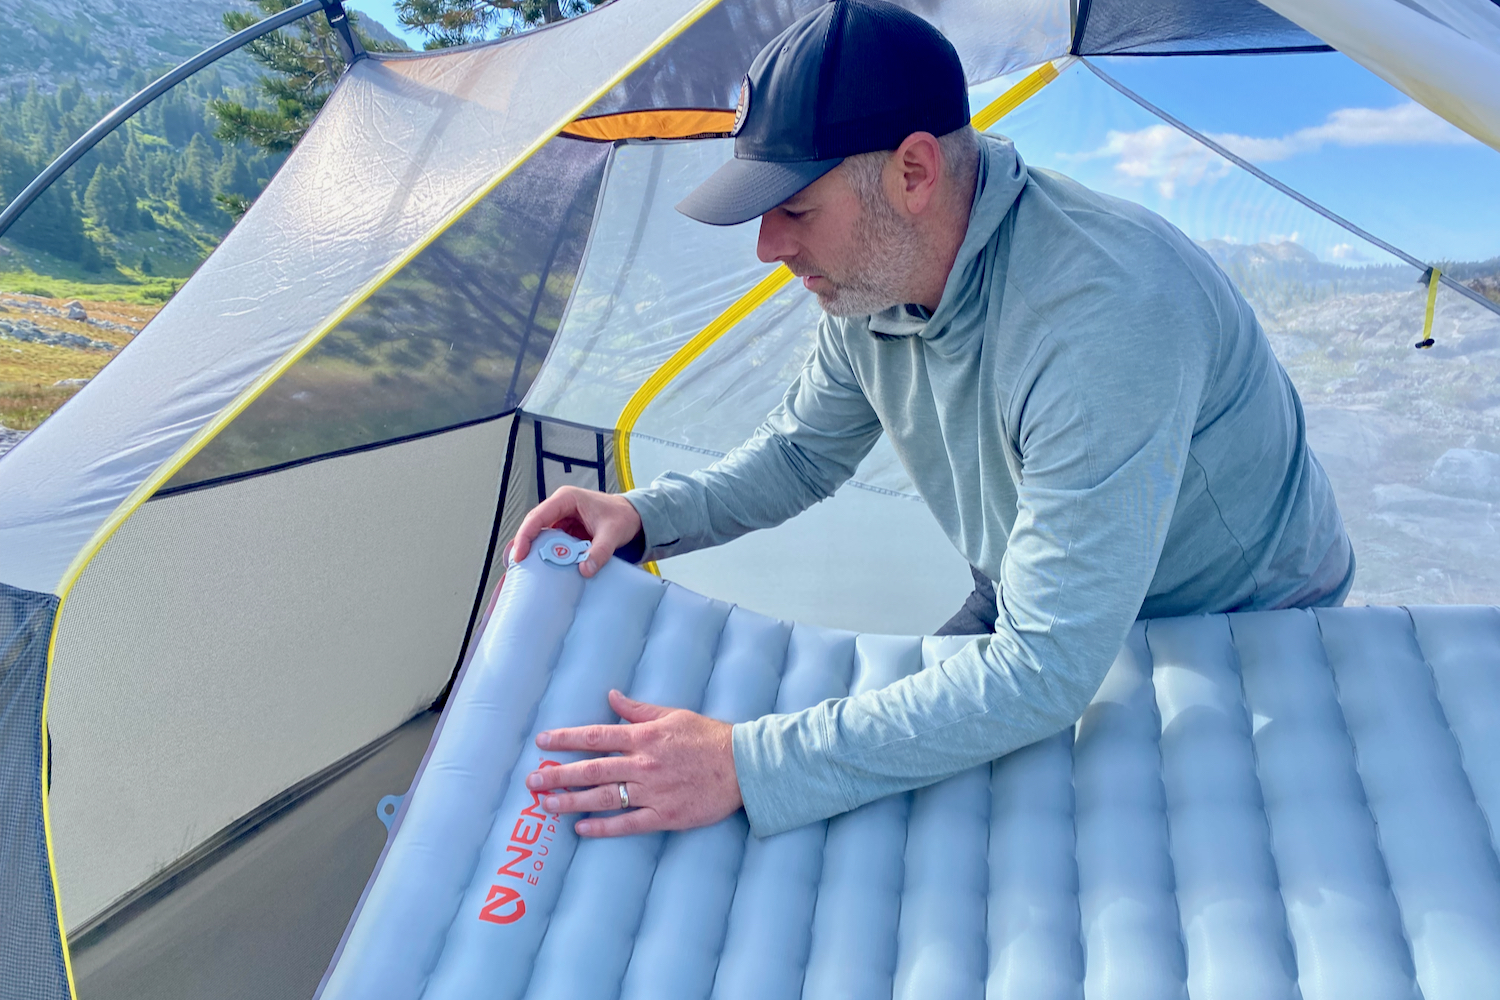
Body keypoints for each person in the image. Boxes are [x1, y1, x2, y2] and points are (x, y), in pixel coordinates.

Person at [510, 0, 1353, 841]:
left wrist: (746, 764)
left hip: (1238, 616)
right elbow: (802, 455)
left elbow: (1047, 668)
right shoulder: (870, 289)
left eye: (795, 208)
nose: (768, 247)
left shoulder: (1102, 317)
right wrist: (646, 514)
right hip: (1024, 590)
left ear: (914, 173)